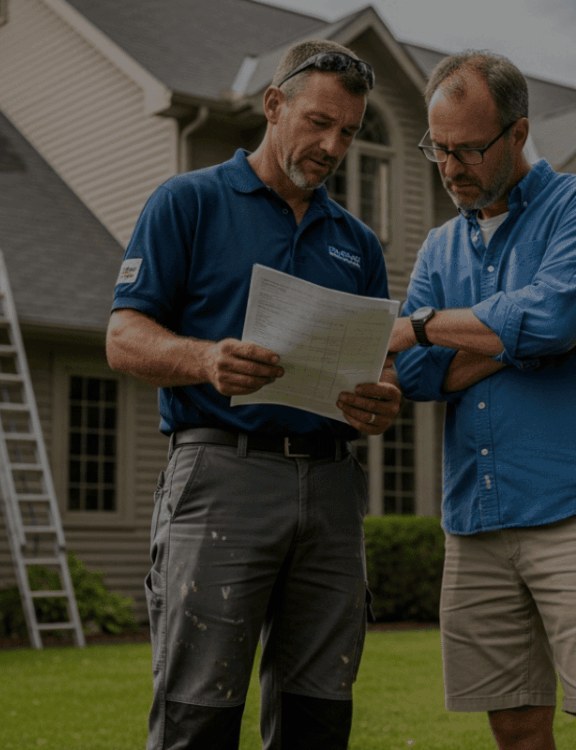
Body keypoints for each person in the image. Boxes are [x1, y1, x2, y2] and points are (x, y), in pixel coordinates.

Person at [106, 40, 402, 750]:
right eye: (318, 122)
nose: (333, 146)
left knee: (320, 712)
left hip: (332, 486)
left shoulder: (357, 244)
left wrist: (381, 399)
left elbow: (377, 366)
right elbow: (122, 337)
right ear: (274, 106)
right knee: (198, 712)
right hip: (220, 475)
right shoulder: (189, 202)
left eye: (349, 133)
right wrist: (205, 358)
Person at [390, 50, 576, 750]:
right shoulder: (438, 248)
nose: (450, 169)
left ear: (517, 133)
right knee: (514, 730)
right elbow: (416, 377)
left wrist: (426, 326)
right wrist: (516, 341)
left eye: (469, 150)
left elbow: (553, 320)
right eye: (438, 150)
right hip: (475, 517)